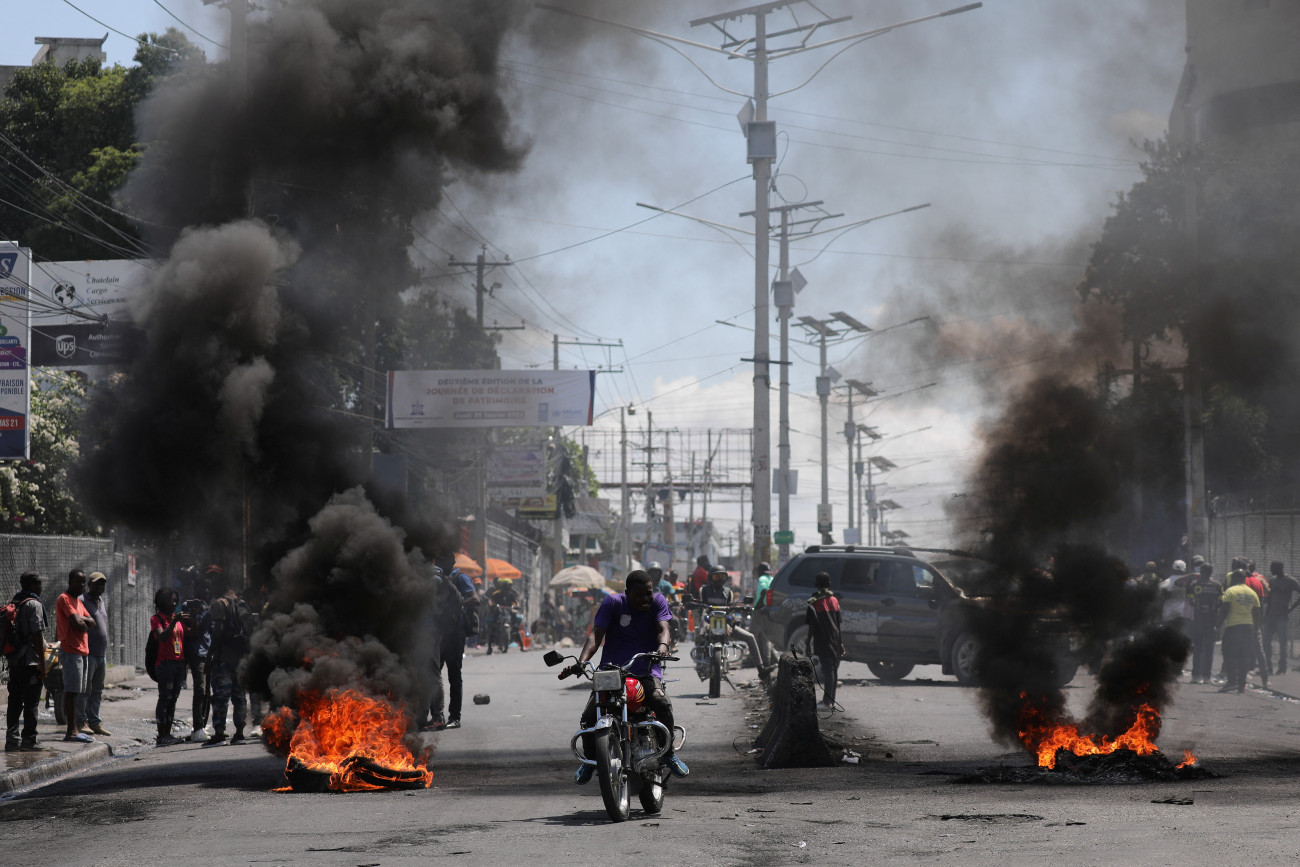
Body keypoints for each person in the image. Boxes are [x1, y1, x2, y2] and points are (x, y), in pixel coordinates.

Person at [564, 569, 688, 783]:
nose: (645, 599)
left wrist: (662, 646)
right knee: (589, 716)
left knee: (660, 702)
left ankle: (668, 754)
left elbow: (663, 628)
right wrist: (582, 660)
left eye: (648, 593)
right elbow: (596, 635)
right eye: (639, 595)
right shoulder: (612, 603)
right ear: (627, 592)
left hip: (646, 669)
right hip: (611, 672)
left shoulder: (659, 601)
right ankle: (591, 760)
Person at [426, 553, 478, 731]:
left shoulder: (459, 578)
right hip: (439, 633)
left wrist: (457, 603)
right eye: (439, 559)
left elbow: (475, 599)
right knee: (434, 675)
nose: (441, 562)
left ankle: (455, 717)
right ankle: (436, 716)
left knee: (454, 676)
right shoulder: (435, 578)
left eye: (445, 559)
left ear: (452, 561)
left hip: (456, 633)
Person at [699, 566, 768, 684]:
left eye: (722, 576)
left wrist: (737, 617)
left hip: (725, 625)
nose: (719, 579)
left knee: (750, 637)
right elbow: (702, 609)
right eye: (716, 576)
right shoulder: (704, 590)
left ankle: (761, 669)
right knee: (700, 634)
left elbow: (730, 609)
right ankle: (701, 664)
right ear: (711, 578)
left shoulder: (728, 592)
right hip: (709, 623)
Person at [206, 571, 250, 745]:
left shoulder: (220, 604)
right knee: (239, 697)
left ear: (220, 586)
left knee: (220, 697)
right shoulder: (242, 603)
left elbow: (217, 632)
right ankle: (239, 733)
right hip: (241, 658)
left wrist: (210, 655)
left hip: (224, 658)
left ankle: (219, 733)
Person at [5, 571, 47, 751]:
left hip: (14, 662)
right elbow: (37, 635)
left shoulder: (14, 602)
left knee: (14, 701)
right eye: (39, 584)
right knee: (31, 703)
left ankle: (11, 740)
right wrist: (42, 664)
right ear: (33, 585)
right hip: (30, 662)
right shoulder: (34, 604)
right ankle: (29, 740)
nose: (41, 587)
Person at [56, 570, 96, 743]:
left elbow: (92, 622)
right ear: (70, 581)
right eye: (79, 581)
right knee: (71, 692)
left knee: (79, 691)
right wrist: (82, 620)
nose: (82, 585)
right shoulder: (64, 598)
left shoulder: (78, 602)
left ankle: (76, 728)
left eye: (84, 582)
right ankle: (71, 731)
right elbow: (78, 624)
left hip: (83, 651)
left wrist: (81, 619)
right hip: (71, 650)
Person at [179, 567, 213, 743]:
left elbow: (211, 631)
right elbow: (191, 632)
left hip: (207, 652)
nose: (204, 592)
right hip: (195, 653)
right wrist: (195, 613)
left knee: (207, 691)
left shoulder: (210, 607)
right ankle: (197, 727)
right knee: (199, 690)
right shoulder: (188, 606)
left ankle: (202, 726)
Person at [76, 572, 111, 737]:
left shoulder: (101, 602)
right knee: (85, 690)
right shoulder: (82, 601)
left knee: (97, 690)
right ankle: (81, 721)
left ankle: (95, 722)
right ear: (89, 585)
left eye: (102, 584)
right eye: (97, 584)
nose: (100, 587)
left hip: (100, 654)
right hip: (87, 652)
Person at [150, 587, 186, 745]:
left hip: (179, 664)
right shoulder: (156, 619)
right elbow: (163, 637)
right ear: (163, 602)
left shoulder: (175, 618)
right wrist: (174, 622)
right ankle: (161, 735)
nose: (174, 603)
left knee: (173, 699)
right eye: (171, 600)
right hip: (165, 664)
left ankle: (168, 734)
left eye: (176, 600)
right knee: (165, 698)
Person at [804, 571, 844, 707]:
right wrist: (841, 643)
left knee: (828, 671)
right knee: (833, 670)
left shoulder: (814, 603)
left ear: (816, 584)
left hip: (822, 640)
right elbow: (839, 624)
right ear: (830, 584)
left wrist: (808, 644)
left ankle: (827, 701)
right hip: (835, 639)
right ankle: (831, 700)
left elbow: (812, 626)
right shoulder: (835, 601)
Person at [1219, 569, 1261, 694]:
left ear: (1234, 579)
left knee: (1228, 654)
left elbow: (1224, 611)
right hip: (1248, 627)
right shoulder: (1252, 593)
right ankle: (1242, 684)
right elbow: (1257, 613)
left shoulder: (1230, 591)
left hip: (1233, 627)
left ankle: (1232, 681)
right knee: (1244, 656)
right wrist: (1256, 629)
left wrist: (1217, 626)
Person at [1185, 563, 1222, 684]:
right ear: (1211, 573)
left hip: (1198, 620)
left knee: (1198, 647)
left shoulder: (1194, 584)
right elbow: (1221, 602)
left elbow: (1190, 601)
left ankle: (1195, 676)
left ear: (1201, 572)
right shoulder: (1217, 586)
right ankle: (1207, 677)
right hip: (1211, 620)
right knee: (1209, 648)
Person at [1262, 561, 1300, 675]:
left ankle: (1282, 668)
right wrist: (1265, 615)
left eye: (1273, 568)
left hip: (1282, 616)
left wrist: (1291, 609)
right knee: (1265, 641)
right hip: (1270, 616)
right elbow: (1269, 598)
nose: (1271, 570)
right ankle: (1268, 666)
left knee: (1283, 642)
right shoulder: (1272, 581)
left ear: (1280, 568)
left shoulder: (1290, 581)